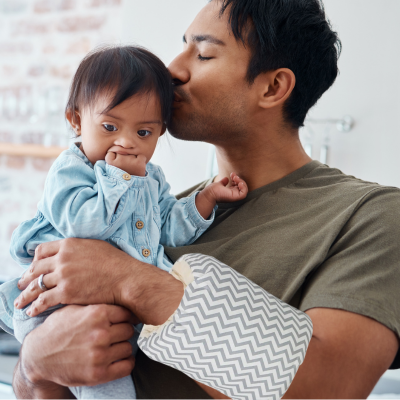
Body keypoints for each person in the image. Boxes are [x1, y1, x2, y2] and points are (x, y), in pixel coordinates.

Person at [12, 0, 400, 398]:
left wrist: (127, 279)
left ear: (272, 87)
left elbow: (328, 389)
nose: (172, 69)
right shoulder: (152, 213)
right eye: (183, 46)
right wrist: (34, 368)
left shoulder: (369, 217)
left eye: (203, 53)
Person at [1, 45, 248, 399]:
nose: (126, 142)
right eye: (109, 126)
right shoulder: (71, 170)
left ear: (160, 132)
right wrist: (117, 178)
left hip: (120, 311)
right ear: (75, 119)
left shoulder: (152, 178)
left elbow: (168, 228)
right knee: (109, 387)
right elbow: (82, 229)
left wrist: (205, 199)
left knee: (121, 368)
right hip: (59, 305)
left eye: (143, 133)